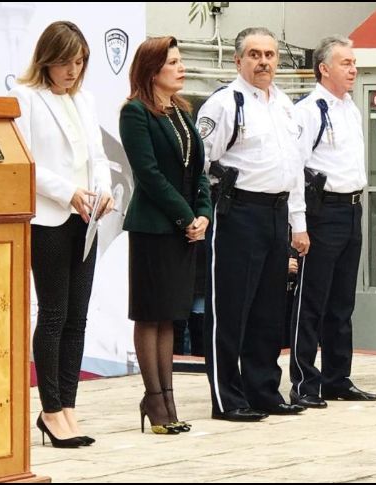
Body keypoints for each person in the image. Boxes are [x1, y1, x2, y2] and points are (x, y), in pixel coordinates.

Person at [11, 20, 114, 448]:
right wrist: (67, 191)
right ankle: (50, 409)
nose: (73, 70)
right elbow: (26, 161)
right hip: (50, 218)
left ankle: (68, 407)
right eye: (65, 62)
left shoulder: (85, 100)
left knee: (77, 318)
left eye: (79, 62)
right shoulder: (26, 98)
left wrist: (104, 191)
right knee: (53, 315)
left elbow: (98, 155)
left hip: (86, 219)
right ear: (47, 59)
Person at [197, 27, 305, 421]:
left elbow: (294, 169)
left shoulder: (286, 105)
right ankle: (227, 398)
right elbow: (201, 162)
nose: (264, 62)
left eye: (270, 55)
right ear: (238, 60)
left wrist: (299, 222)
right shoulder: (224, 104)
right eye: (255, 54)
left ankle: (264, 390)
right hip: (238, 213)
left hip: (277, 212)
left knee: (268, 309)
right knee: (230, 308)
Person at [120, 36, 212, 435]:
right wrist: (185, 216)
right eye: (173, 62)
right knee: (150, 313)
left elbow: (199, 173)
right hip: (154, 228)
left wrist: (204, 214)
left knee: (170, 316)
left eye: (180, 61)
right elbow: (149, 174)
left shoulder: (181, 112)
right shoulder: (135, 112)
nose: (181, 67)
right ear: (152, 70)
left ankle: (168, 402)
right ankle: (155, 401)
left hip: (184, 229)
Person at [288, 36, 376, 408]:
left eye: (354, 62)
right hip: (321, 211)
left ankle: (337, 378)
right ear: (324, 69)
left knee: (342, 301)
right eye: (345, 63)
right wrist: (299, 223)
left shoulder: (350, 108)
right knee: (312, 301)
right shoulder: (309, 110)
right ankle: (304, 383)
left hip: (352, 208)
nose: (353, 69)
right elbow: (294, 169)